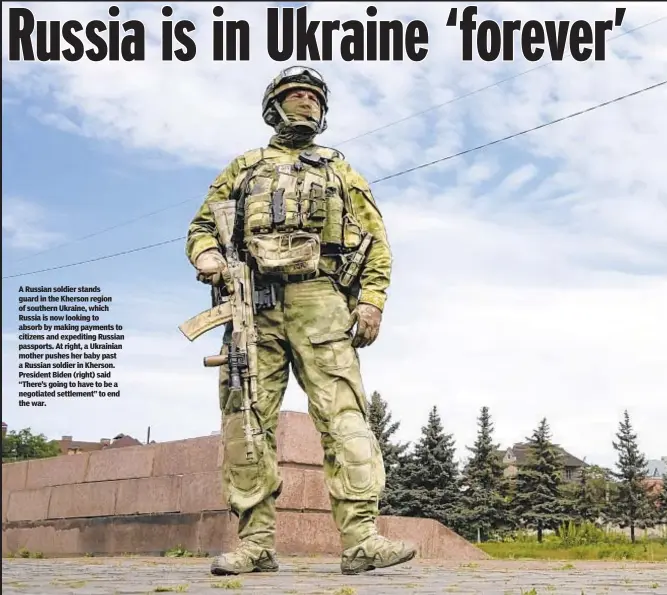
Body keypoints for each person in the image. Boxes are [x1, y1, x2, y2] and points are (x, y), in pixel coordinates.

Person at [185, 66, 416, 576]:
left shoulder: (340, 169)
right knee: (246, 420)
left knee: (344, 416)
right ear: (275, 106)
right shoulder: (244, 167)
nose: (307, 102)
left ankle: (362, 540)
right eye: (297, 94)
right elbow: (202, 226)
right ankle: (257, 543)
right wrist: (209, 259)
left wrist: (372, 300)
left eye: (314, 96)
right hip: (254, 305)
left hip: (322, 301)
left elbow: (376, 240)